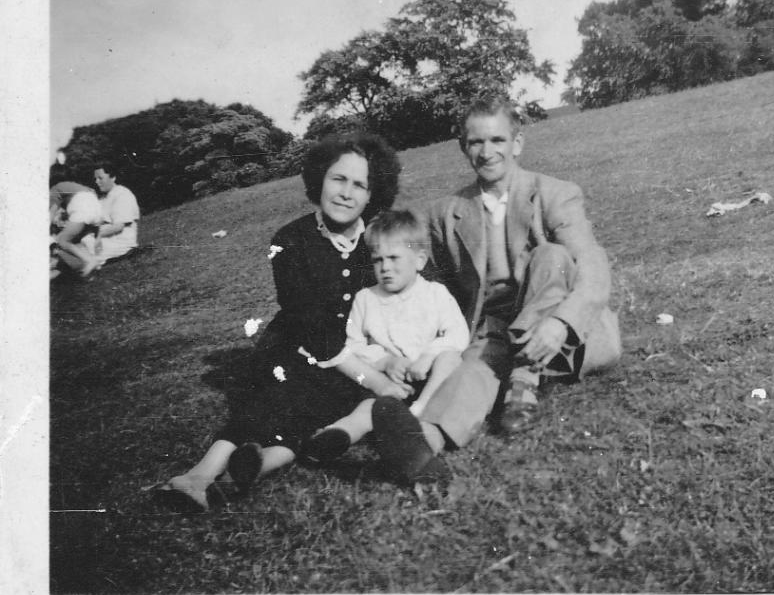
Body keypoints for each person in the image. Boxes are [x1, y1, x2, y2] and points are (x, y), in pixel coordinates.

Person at [154, 133, 429, 513]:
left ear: (372, 193)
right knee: (279, 398)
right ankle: (200, 474)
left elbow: (405, 294)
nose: (347, 193)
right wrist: (379, 381)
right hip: (297, 347)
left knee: (317, 409)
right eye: (338, 179)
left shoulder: (379, 241)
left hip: (355, 360)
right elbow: (315, 333)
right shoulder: (289, 241)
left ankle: (252, 469)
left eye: (359, 185)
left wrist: (388, 359)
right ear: (319, 180)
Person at [369, 95, 622, 483]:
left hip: (562, 329)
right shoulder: (446, 213)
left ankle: (524, 376)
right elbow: (418, 275)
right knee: (473, 369)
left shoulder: (556, 193)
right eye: (476, 143)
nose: (487, 152)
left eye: (497, 141)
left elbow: (592, 268)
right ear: (464, 148)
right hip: (492, 329)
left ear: (517, 144)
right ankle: (422, 445)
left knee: (551, 255)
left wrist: (560, 324)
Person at [302, 209, 469, 465]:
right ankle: (340, 434)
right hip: (390, 383)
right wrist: (385, 363)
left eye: (394, 258)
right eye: (378, 260)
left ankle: (420, 411)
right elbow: (354, 346)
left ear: (420, 260)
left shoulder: (435, 294)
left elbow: (457, 333)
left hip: (430, 377)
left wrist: (428, 356)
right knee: (368, 408)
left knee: (451, 359)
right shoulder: (366, 299)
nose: (385, 268)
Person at [49, 167, 102, 279]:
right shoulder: (74, 186)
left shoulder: (55, 189)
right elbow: (92, 194)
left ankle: (90, 260)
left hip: (81, 206)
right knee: (84, 237)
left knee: (62, 240)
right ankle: (94, 266)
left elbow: (50, 215)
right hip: (95, 206)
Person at [93, 161, 141, 264]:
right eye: (95, 179)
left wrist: (92, 234)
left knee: (81, 248)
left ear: (113, 177)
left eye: (100, 178)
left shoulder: (122, 195)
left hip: (121, 243)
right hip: (106, 240)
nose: (97, 182)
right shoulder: (102, 199)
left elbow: (118, 227)